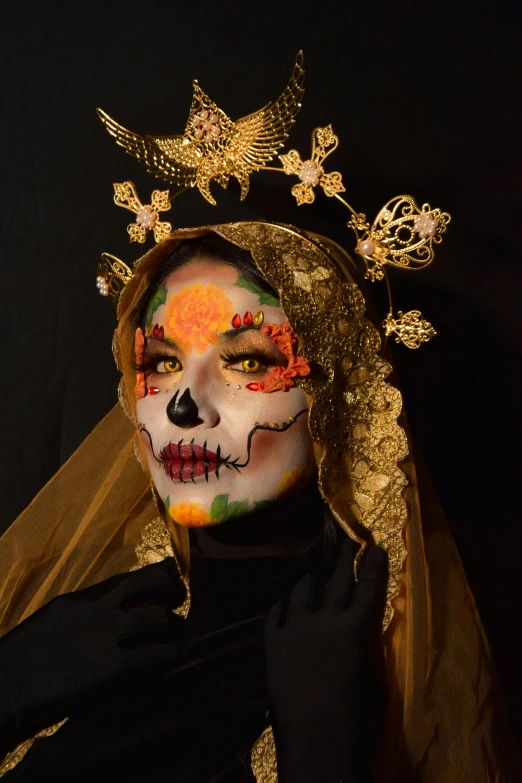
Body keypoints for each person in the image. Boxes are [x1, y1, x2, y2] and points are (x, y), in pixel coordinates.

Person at [0, 223, 519, 781]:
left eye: (246, 362)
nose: (181, 408)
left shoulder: (387, 653)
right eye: (162, 362)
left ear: (339, 394)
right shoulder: (89, 614)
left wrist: (324, 756)